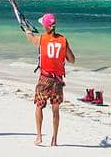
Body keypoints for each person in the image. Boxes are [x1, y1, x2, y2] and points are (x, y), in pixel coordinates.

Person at [24, 13, 75, 146]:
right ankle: (55, 139)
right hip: (57, 81)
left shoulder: (42, 39)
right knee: (55, 109)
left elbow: (30, 38)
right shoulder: (63, 40)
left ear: (46, 26)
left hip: (45, 79)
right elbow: (72, 60)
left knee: (39, 106)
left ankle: (39, 136)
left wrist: (26, 30)